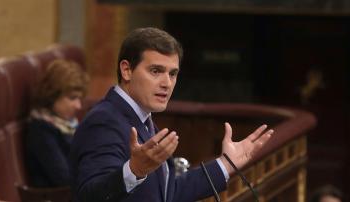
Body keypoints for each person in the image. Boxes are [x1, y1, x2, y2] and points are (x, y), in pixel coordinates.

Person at [70, 27, 273, 202]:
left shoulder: (142, 118)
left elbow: (168, 193)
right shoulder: (104, 121)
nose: (167, 83)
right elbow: (90, 196)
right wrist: (134, 171)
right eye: (156, 71)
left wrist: (226, 164)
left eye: (172, 73)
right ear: (127, 70)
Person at [25, 59, 89, 187]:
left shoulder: (68, 124)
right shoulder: (41, 130)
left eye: (80, 98)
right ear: (52, 95)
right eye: (72, 98)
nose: (78, 106)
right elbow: (64, 179)